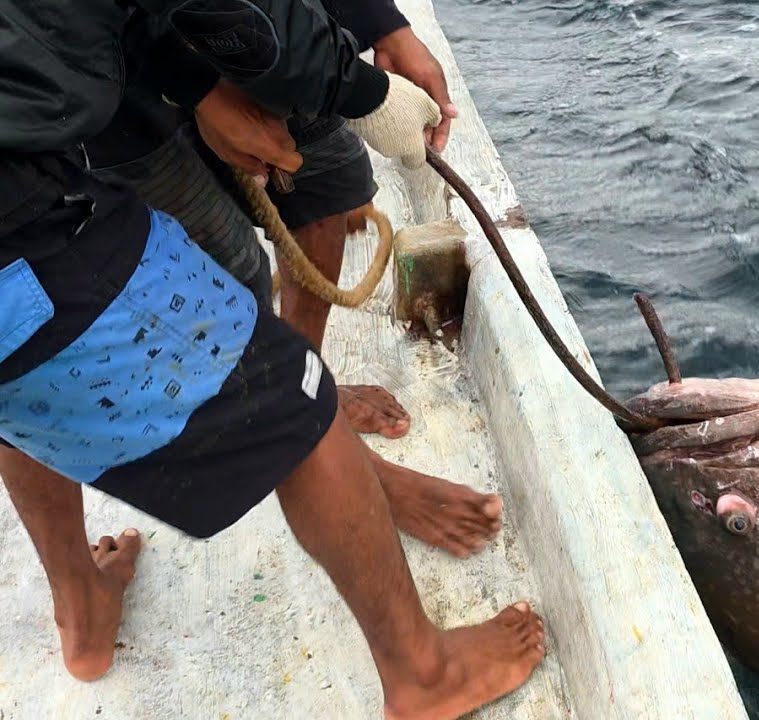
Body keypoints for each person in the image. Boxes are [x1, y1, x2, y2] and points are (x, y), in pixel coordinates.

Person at [0, 1, 545, 717]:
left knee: (25, 375)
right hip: (26, 205)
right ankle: (424, 673)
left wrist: (207, 81)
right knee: (293, 393)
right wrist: (369, 95)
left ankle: (82, 609)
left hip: (37, 140)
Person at [86, 0, 459, 441]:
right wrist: (202, 87)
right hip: (104, 63)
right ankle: (246, 408)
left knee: (327, 175)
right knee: (236, 264)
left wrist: (385, 25)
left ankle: (299, 392)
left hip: (233, 30)